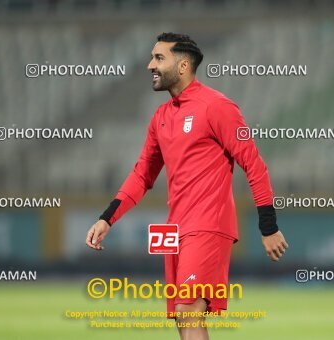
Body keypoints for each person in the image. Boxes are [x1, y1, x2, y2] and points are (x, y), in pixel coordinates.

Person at [86, 32, 288, 340]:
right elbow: (142, 175)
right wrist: (107, 217)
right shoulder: (160, 117)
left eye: (158, 58)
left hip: (208, 224)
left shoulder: (217, 107)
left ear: (182, 66)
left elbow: (254, 164)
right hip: (174, 229)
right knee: (182, 319)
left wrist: (268, 226)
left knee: (188, 309)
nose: (149, 65)